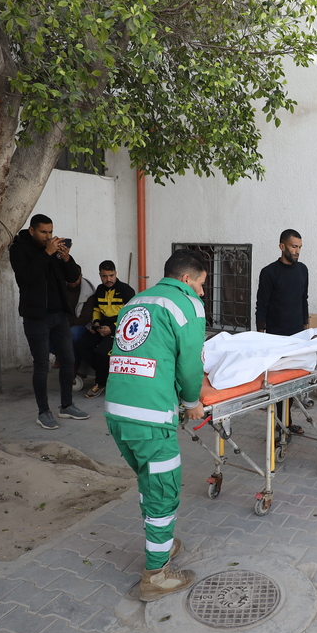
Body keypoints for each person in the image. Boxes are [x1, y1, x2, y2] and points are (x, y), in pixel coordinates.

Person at [105, 249, 208, 601]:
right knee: (164, 488)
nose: (202, 292)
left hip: (118, 410)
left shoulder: (137, 300)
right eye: (201, 283)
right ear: (186, 279)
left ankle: (160, 543)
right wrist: (192, 404)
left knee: (149, 479)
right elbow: (191, 364)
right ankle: (156, 576)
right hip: (150, 416)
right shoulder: (185, 304)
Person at [8, 213, 90, 430]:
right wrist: (47, 253)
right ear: (32, 230)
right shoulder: (19, 249)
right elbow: (26, 277)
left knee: (68, 359)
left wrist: (66, 258)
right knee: (42, 364)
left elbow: (73, 277)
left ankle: (66, 405)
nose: (48, 236)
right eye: (44, 232)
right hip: (36, 317)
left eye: (51, 232)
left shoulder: (53, 250)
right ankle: (43, 411)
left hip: (59, 315)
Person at [256, 228, 310, 433]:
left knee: (292, 382)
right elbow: (261, 304)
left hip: (297, 335)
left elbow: (304, 299)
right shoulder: (269, 272)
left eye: (300, 247)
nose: (297, 251)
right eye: (294, 246)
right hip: (275, 337)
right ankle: (278, 426)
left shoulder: (303, 270)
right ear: (282, 246)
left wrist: (306, 328)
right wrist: (261, 334)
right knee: (277, 384)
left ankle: (286, 422)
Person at [77, 260, 137, 398]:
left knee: (101, 352)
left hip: (121, 328)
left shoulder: (126, 290)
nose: (108, 279)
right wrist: (96, 323)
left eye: (111, 275)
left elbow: (132, 315)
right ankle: (107, 374)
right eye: (104, 276)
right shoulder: (99, 289)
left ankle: (100, 382)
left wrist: (113, 328)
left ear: (116, 273)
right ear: (100, 275)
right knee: (81, 346)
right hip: (102, 326)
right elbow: (97, 309)